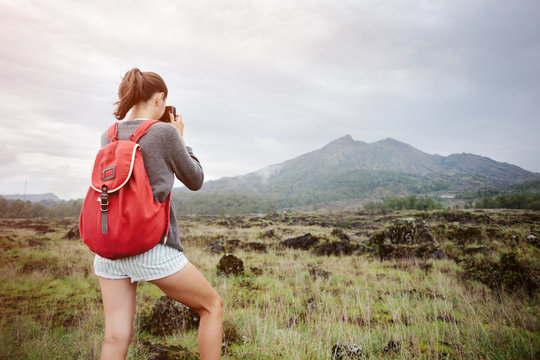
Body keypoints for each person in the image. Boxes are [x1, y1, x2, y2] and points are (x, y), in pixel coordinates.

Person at [93, 68, 223, 360]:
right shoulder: (164, 132)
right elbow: (195, 179)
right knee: (211, 306)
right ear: (160, 98)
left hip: (109, 248)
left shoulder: (108, 135)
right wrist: (181, 139)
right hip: (151, 246)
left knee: (115, 335)